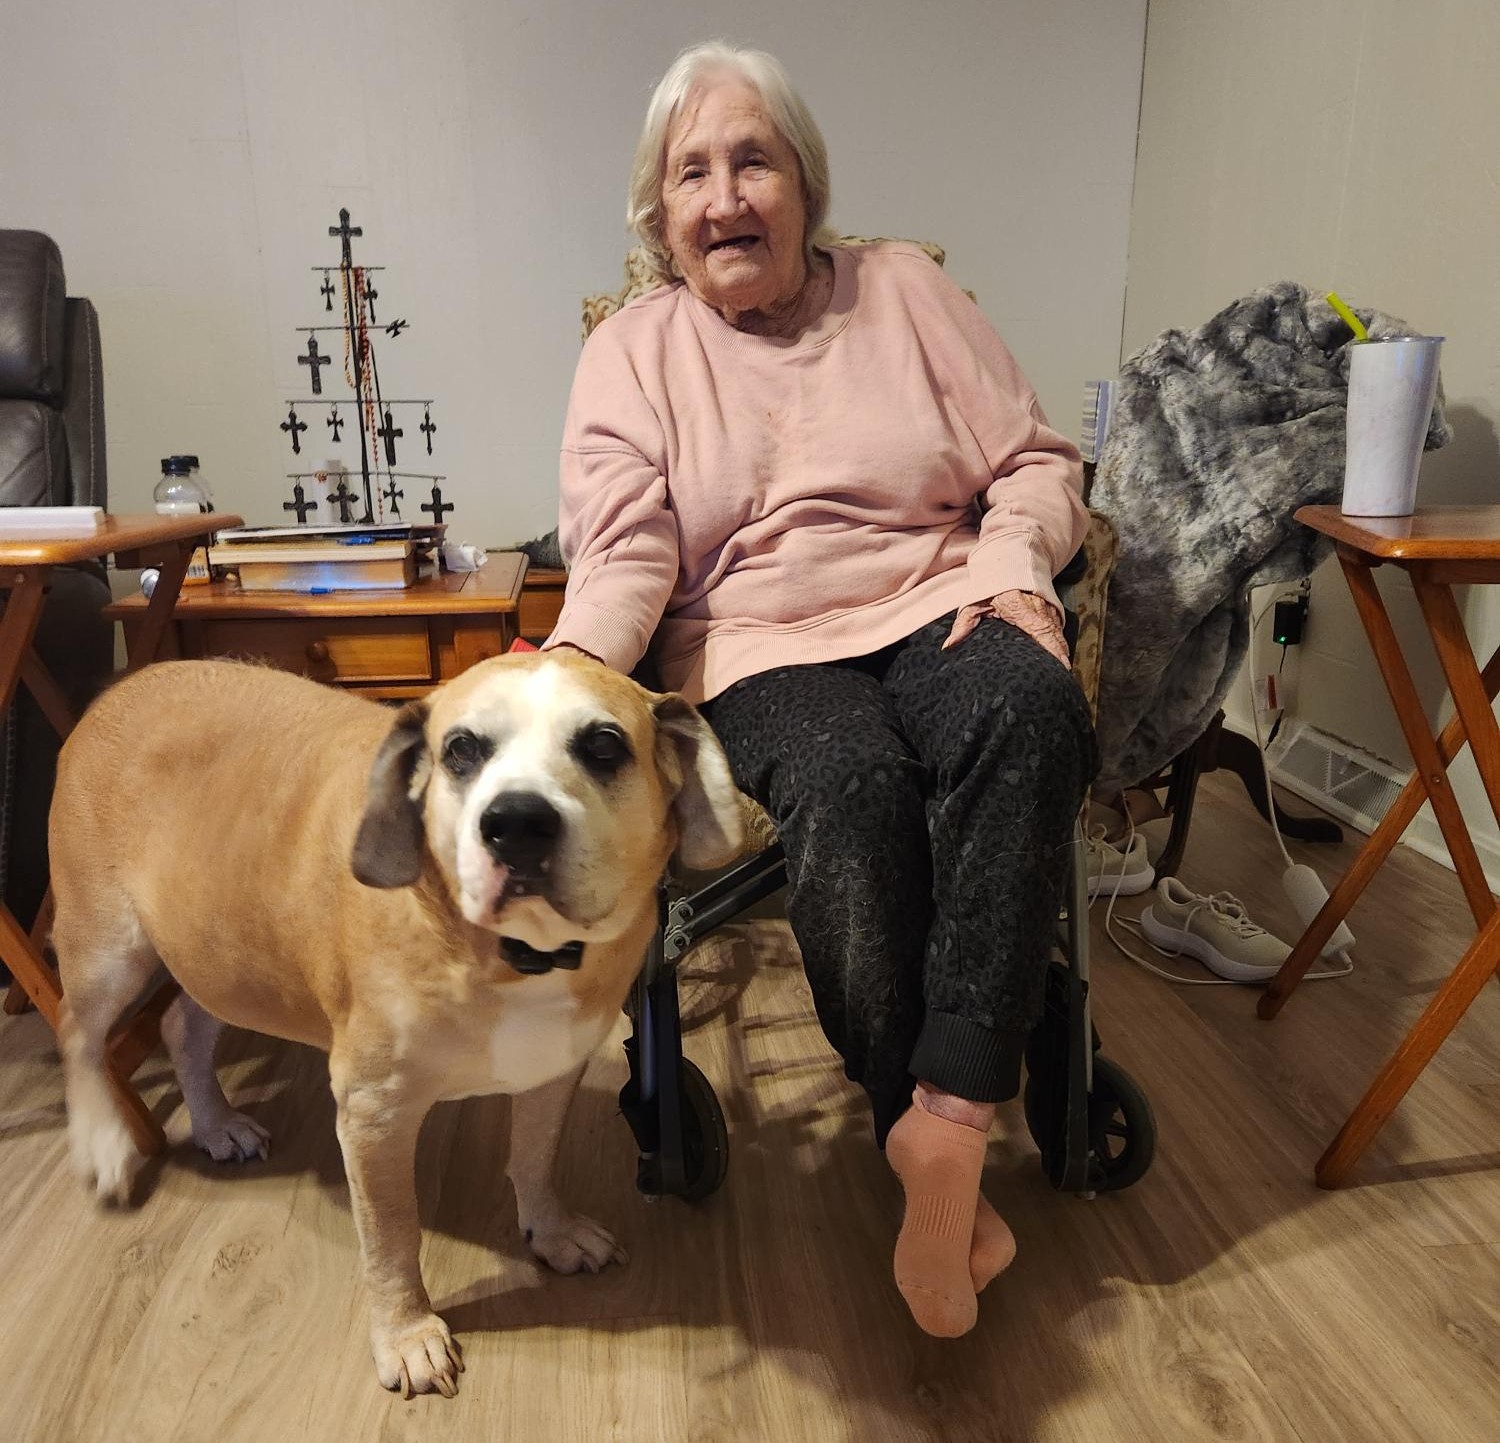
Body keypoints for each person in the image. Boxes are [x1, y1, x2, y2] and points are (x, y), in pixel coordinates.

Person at [543, 40, 1097, 1338]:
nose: (726, 194)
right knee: (849, 786)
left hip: (941, 594)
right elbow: (625, 549)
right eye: (693, 172)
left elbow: (1031, 458)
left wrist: (1014, 574)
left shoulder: (904, 291)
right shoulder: (634, 351)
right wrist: (571, 671)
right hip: (757, 638)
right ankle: (926, 1123)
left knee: (1027, 708)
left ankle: (943, 1123)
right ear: (658, 213)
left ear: (805, 182)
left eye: (754, 160)